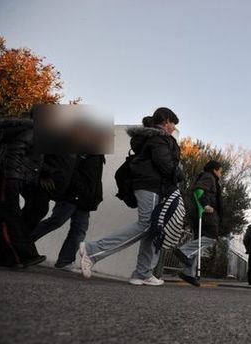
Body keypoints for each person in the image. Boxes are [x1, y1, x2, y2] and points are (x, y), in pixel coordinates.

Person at [78, 107, 182, 286]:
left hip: (152, 186)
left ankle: (142, 273)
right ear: (165, 120)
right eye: (173, 123)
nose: (173, 127)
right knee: (148, 225)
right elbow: (164, 163)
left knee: (152, 228)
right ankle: (92, 250)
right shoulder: (160, 138)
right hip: (151, 185)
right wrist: (180, 175)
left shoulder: (153, 138)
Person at [32, 154, 105, 269]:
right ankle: (22, 243)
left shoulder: (97, 153)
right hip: (72, 193)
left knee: (79, 229)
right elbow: (70, 169)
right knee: (56, 221)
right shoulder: (81, 147)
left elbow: (93, 178)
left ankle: (66, 260)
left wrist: (93, 196)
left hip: (85, 196)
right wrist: (79, 188)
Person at [0, 117, 46, 267]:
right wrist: (14, 175)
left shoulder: (25, 132)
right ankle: (23, 256)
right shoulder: (32, 132)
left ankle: (12, 257)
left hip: (10, 177)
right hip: (8, 177)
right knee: (10, 215)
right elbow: (14, 154)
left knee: (9, 214)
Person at [175, 160, 224, 287]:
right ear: (214, 170)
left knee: (199, 243)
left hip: (201, 214)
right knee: (211, 237)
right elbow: (198, 190)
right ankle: (183, 251)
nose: (221, 173)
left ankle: (189, 273)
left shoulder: (209, 178)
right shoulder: (209, 177)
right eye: (220, 171)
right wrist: (205, 205)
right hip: (206, 214)